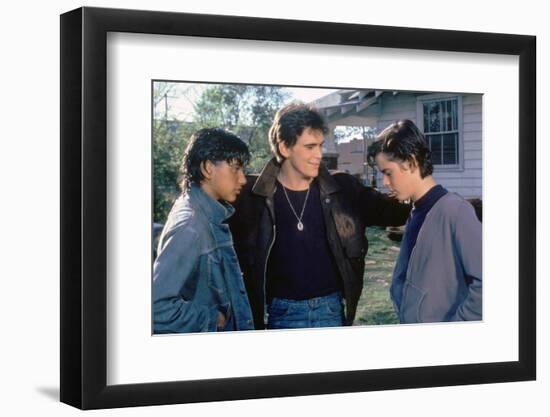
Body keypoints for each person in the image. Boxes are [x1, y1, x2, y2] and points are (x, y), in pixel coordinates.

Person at [228, 103, 410, 330]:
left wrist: (410, 171)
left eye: (320, 146)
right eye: (310, 147)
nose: (319, 155)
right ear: (285, 147)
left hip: (331, 310)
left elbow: (396, 211)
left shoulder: (342, 189)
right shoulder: (249, 196)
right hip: (278, 314)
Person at [370, 119, 482, 323]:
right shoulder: (416, 211)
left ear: (411, 162)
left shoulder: (456, 211)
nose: (385, 182)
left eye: (388, 172)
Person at [153, 128, 254, 333]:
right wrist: (214, 319)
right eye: (235, 168)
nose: (243, 179)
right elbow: (156, 309)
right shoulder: (190, 226)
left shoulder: (205, 214)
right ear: (208, 168)